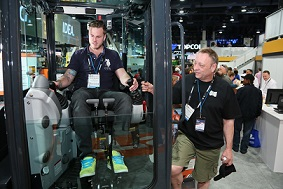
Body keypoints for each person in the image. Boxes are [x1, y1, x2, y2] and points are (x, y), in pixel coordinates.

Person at [54, 20, 138, 178]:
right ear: (88, 35)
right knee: (78, 97)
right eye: (92, 36)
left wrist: (129, 81)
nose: (94, 39)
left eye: (98, 36)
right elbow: (68, 77)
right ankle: (87, 155)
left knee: (125, 99)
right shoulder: (79, 54)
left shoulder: (112, 55)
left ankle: (116, 151)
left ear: (104, 37)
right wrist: (58, 84)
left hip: (106, 92)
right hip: (85, 91)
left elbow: (122, 74)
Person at [171, 48, 241, 189]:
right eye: (195, 63)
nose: (195, 68)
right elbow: (170, 97)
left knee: (203, 179)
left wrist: (228, 149)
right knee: (173, 170)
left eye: (201, 65)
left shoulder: (224, 88)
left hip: (211, 142)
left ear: (213, 67)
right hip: (188, 135)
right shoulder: (187, 81)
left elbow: (228, 121)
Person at [233, 74, 262, 154]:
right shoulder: (258, 91)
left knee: (236, 130)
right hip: (251, 115)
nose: (243, 81)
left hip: (239, 114)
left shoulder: (241, 90)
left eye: (245, 79)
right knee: (247, 132)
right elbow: (259, 105)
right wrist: (257, 114)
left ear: (248, 80)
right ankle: (243, 149)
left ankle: (235, 146)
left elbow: (235, 102)